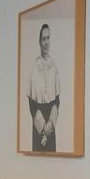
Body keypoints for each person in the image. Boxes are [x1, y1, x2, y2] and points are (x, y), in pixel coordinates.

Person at [27, 23, 60, 152]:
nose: (46, 42)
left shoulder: (54, 65)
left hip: (51, 126)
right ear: (40, 42)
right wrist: (43, 129)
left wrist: (50, 124)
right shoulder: (34, 67)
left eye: (48, 38)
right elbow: (31, 103)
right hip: (38, 126)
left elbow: (57, 99)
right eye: (43, 39)